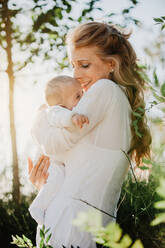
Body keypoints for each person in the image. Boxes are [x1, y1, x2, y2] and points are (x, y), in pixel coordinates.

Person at [28, 22, 151, 248]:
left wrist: (39, 118)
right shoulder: (117, 102)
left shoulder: (104, 90)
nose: (76, 75)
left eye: (84, 65)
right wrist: (44, 186)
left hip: (72, 224)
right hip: (81, 224)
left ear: (111, 64)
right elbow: (79, 167)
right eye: (73, 65)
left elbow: (54, 144)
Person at [29, 75, 89, 224]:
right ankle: (38, 207)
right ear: (61, 105)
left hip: (55, 160)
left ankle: (44, 207)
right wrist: (73, 117)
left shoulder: (63, 110)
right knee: (56, 180)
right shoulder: (55, 111)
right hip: (48, 162)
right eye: (77, 96)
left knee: (58, 183)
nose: (83, 98)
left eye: (81, 93)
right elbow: (59, 116)